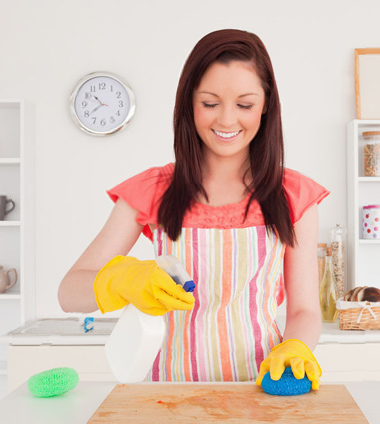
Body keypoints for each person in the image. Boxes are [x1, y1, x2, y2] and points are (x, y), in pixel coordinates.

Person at [58, 29, 329, 387]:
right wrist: (122, 279)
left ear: (266, 106)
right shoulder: (153, 191)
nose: (227, 120)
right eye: (210, 103)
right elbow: (68, 294)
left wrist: (295, 347)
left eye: (244, 104)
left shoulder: (293, 195)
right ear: (189, 103)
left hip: (260, 394)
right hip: (166, 395)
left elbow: (305, 310)